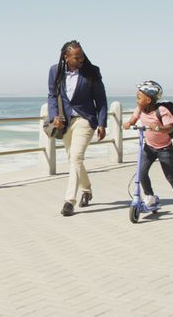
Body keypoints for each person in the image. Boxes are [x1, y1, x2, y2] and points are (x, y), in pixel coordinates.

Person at [47, 40, 108, 216]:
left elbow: (101, 100)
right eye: (76, 57)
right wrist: (53, 117)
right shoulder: (55, 70)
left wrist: (102, 123)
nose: (81, 59)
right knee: (73, 159)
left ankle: (69, 201)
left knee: (76, 157)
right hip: (65, 121)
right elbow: (52, 95)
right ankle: (87, 190)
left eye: (82, 55)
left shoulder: (92, 71)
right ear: (66, 57)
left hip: (85, 119)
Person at [123, 80, 173, 216]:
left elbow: (170, 127)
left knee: (170, 176)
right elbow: (134, 118)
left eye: (139, 98)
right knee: (141, 172)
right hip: (149, 147)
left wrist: (158, 127)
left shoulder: (162, 111)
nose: (137, 100)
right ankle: (150, 197)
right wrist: (129, 123)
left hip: (164, 149)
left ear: (148, 100)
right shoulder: (140, 109)